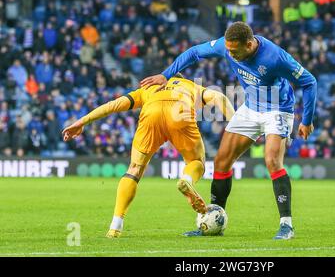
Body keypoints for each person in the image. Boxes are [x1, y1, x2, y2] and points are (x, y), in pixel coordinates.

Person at [140, 22, 317, 239]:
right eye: (228, 49)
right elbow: (195, 52)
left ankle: (286, 225)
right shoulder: (226, 46)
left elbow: (309, 82)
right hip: (250, 108)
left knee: (272, 161)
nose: (230, 54)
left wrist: (306, 120)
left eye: (235, 50)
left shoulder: (275, 57)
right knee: (222, 162)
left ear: (249, 44)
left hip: (278, 110)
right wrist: (166, 75)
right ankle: (213, 219)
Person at [62, 74, 235, 238]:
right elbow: (219, 97)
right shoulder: (190, 86)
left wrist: (81, 121)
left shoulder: (148, 87)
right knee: (196, 161)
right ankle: (187, 179)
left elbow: (113, 105)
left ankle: (115, 225)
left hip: (152, 114)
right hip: (180, 113)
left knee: (134, 169)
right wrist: (236, 123)